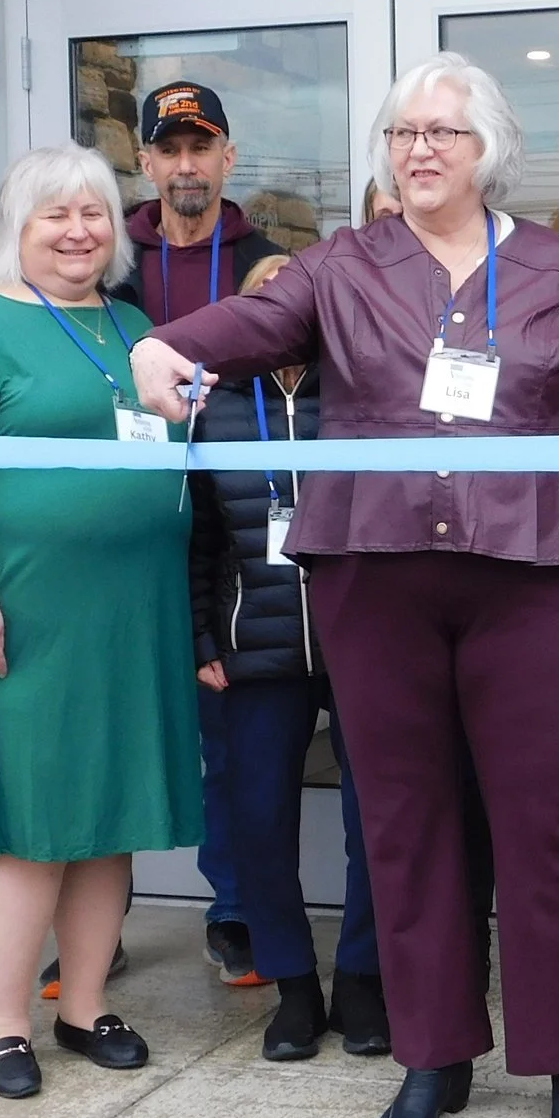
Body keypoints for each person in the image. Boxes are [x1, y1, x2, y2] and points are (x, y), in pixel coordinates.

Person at [130, 52, 559, 1118]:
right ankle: (431, 1052)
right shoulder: (342, 264)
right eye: (403, 133)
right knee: (405, 823)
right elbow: (252, 329)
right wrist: (164, 341)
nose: (419, 150)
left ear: (487, 152)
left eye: (441, 133)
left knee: (543, 824)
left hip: (529, 583)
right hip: (375, 584)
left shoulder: (558, 271)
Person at [0, 144, 204, 1100]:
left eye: (94, 214)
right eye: (55, 216)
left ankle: (82, 1003)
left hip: (128, 610)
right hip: (24, 610)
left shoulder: (131, 324)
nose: (79, 231)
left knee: (105, 815)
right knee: (32, 824)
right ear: (18, 231)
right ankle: (0, 1021)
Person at [187, 252, 389, 1062]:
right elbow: (196, 535)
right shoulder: (214, 402)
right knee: (259, 819)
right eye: (260, 297)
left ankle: (364, 980)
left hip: (364, 637)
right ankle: (294, 986)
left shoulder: (362, 393)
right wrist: (203, 637)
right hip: (253, 645)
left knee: (376, 819)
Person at [113, 79, 286, 987]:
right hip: (126, 526)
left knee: (229, 730)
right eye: (168, 149)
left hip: (232, 529)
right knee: (118, 724)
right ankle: (95, 917)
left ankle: (237, 909)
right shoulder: (106, 266)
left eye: (201, 147)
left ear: (227, 157)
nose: (185, 165)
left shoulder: (269, 263)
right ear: (144, 162)